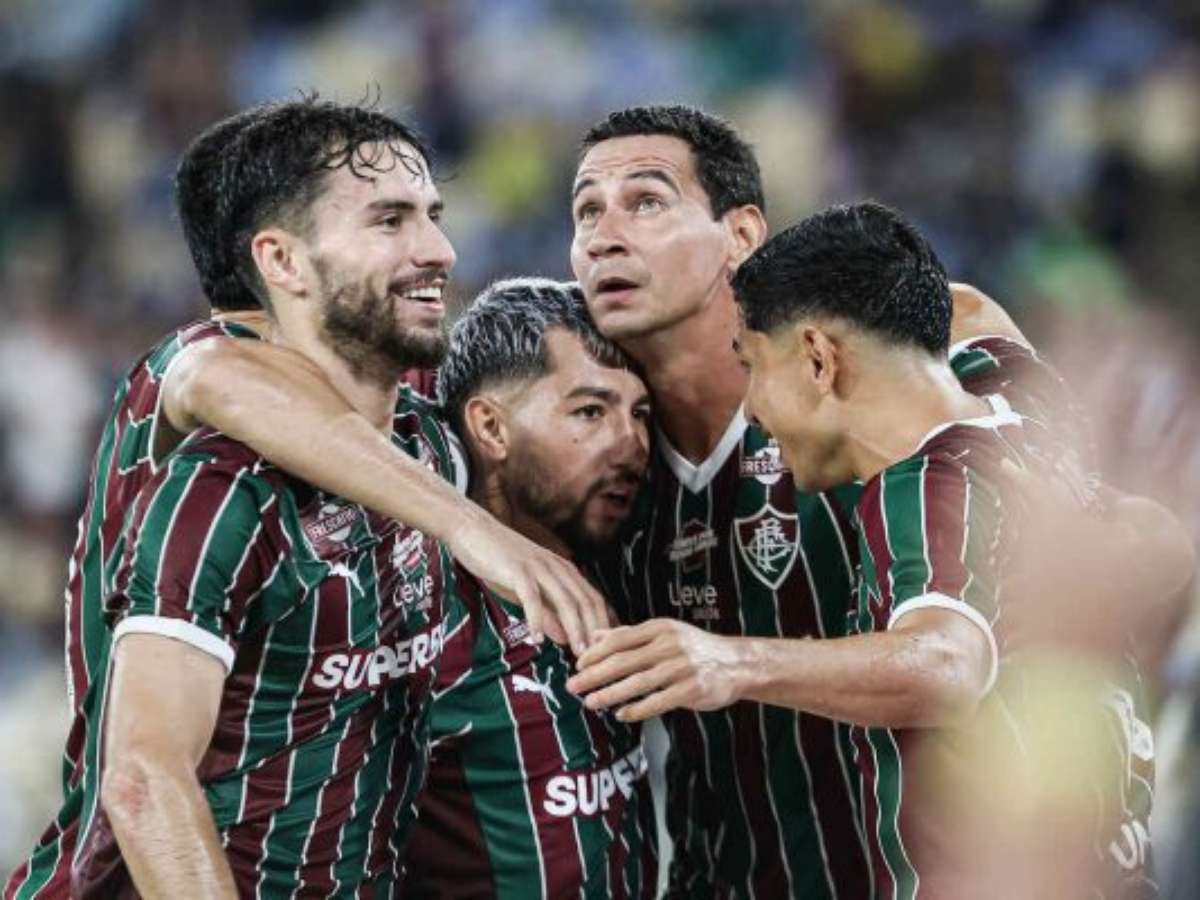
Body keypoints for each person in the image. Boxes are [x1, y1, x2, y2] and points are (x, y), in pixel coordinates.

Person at [564, 105, 1192, 898]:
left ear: (741, 233)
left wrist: (727, 660)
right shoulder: (583, 435)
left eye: (646, 201)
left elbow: (970, 645)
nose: (604, 236)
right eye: (586, 211)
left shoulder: (933, 393)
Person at [9, 98, 461, 899]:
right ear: (277, 262)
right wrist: (476, 530)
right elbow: (213, 373)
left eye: (430, 215)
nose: (434, 249)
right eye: (387, 220)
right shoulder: (197, 394)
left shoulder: (400, 412)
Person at [403, 278, 657, 898]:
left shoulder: (624, 558)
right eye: (590, 411)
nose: (631, 444)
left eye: (640, 414)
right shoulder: (415, 605)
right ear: (491, 427)